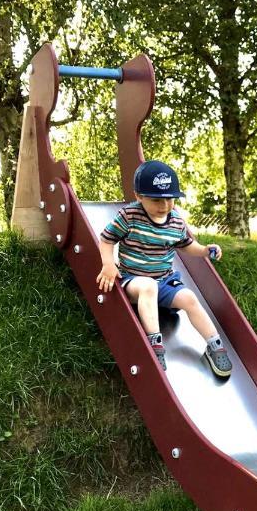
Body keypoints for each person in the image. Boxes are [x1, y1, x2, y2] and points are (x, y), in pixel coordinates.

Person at [96, 159, 232, 377]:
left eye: (170, 199)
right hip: (135, 281)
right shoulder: (129, 216)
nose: (165, 205)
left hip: (165, 281)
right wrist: (108, 264)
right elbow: (106, 239)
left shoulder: (176, 221)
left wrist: (206, 250)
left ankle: (214, 345)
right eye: (156, 199)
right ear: (139, 196)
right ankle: (154, 346)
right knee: (148, 286)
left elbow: (186, 245)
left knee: (189, 297)